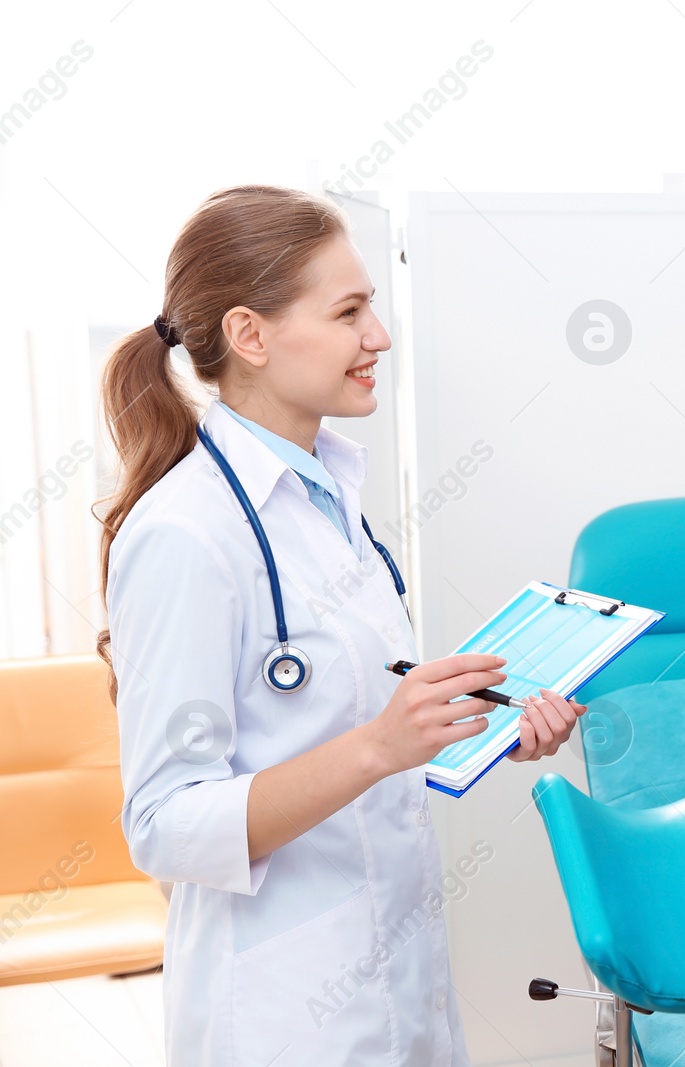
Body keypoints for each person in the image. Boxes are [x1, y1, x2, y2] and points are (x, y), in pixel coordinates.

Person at [97, 185, 584, 1066]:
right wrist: (380, 746)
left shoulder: (328, 495)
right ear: (251, 335)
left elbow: (340, 723)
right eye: (351, 310)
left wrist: (478, 727)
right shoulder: (184, 533)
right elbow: (164, 823)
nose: (380, 338)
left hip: (401, 982)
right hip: (284, 1013)